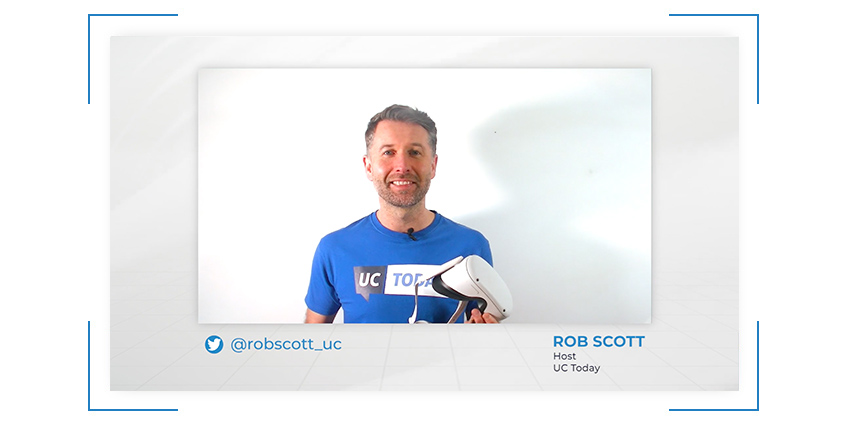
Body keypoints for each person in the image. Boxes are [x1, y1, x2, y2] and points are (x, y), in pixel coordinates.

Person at [304, 104, 498, 324]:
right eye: (388, 152)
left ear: (433, 166)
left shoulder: (471, 246)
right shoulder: (334, 249)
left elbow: (482, 330)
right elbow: (314, 337)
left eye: (414, 152)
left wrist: (484, 336)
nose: (402, 166)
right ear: (368, 166)